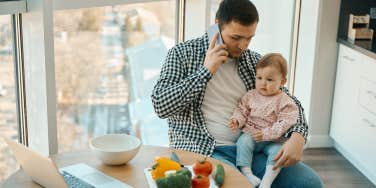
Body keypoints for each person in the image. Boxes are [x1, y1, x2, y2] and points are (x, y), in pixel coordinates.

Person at [151, 0, 323, 187]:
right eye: (236, 37)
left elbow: (290, 102)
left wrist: (298, 136)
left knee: (310, 183)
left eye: (249, 38)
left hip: (251, 149)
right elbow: (161, 105)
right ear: (217, 23)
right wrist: (205, 72)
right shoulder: (182, 54)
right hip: (203, 150)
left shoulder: (254, 62)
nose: (243, 46)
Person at [228, 53, 299, 187]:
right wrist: (236, 120)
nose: (263, 83)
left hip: (273, 140)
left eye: (270, 80)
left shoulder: (285, 101)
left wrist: (267, 134)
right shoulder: (250, 95)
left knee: (278, 153)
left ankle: (267, 180)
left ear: (282, 82)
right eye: (259, 78)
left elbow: (286, 122)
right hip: (252, 136)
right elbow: (242, 110)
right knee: (243, 141)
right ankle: (247, 173)